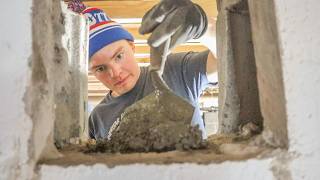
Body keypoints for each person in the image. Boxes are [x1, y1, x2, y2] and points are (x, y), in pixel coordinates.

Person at [69, 0, 217, 140]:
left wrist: (205, 27)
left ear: (132, 47)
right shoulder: (98, 118)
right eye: (101, 68)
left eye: (119, 56)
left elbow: (224, 62)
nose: (115, 73)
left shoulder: (175, 69)